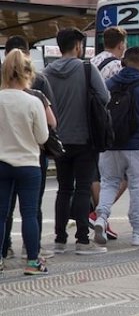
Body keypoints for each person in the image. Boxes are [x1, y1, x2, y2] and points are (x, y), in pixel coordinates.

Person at [44, 28, 110, 256]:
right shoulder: (86, 68)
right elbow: (105, 97)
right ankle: (82, 240)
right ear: (78, 46)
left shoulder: (47, 72)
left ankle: (59, 240)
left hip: (58, 140)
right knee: (82, 188)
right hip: (84, 137)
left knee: (63, 189)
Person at [92, 47, 139, 247]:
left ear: (123, 63)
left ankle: (101, 217)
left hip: (110, 146)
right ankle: (138, 233)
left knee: (109, 183)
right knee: (138, 188)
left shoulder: (108, 85)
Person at [2, 35, 55, 260]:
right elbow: (43, 136)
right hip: (29, 164)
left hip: (1, 163)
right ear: (28, 72)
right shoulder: (34, 101)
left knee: (2, 215)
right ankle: (32, 261)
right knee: (30, 214)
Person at [89, 27, 128, 241]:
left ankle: (99, 216)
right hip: (108, 124)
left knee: (97, 172)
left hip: (90, 123)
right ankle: (99, 214)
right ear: (121, 44)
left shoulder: (93, 62)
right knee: (121, 175)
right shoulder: (116, 66)